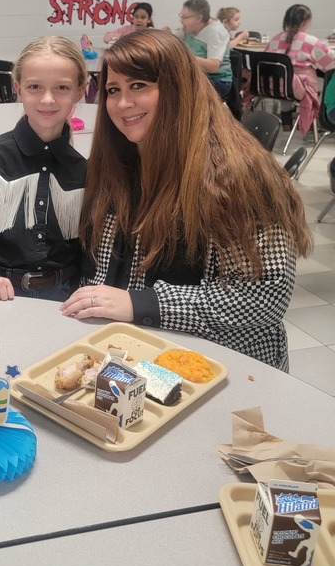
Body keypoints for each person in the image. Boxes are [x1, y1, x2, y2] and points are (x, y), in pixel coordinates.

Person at [60, 29, 311, 370]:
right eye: (113, 90)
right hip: (133, 357)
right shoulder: (124, 161)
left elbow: (266, 296)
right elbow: (104, 273)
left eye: (139, 86)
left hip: (225, 368)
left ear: (178, 88)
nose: (122, 104)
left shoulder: (237, 173)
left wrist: (145, 303)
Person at [0, 36, 88, 301]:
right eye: (35, 87)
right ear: (18, 89)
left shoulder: (83, 172)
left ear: (79, 91)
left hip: (65, 301)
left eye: (62, 87)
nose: (48, 99)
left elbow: (87, 248)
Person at [265, 4, 335, 137]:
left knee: (286, 78)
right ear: (305, 22)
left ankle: (286, 117)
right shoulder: (310, 41)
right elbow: (330, 63)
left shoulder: (274, 39)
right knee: (321, 79)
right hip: (297, 88)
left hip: (272, 87)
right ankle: (314, 120)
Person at [175, 0, 233, 98]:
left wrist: (184, 56)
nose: (181, 20)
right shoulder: (190, 27)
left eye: (185, 17)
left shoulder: (215, 32)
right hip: (197, 76)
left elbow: (214, 66)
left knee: (176, 91)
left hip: (217, 80)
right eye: (181, 16)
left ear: (199, 18)